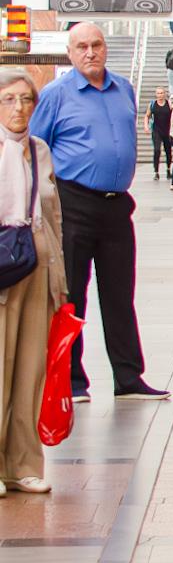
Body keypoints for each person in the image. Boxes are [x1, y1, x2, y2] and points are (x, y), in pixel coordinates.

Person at [29, 22, 168, 402]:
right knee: (72, 294)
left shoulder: (123, 88)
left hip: (117, 206)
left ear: (106, 47)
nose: (90, 53)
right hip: (73, 204)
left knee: (120, 294)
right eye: (82, 47)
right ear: (70, 53)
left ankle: (129, 378)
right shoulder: (56, 94)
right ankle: (72, 381)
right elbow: (36, 150)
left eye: (96, 45)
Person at [0, 70, 67, 495]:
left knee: (30, 370)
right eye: (8, 99)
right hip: (2, 269)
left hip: (37, 265)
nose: (19, 108)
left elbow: (53, 214)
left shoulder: (40, 150)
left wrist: (60, 278)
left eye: (26, 99)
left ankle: (22, 465)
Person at [144, 86, 173, 181]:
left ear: (164, 94)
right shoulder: (152, 104)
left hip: (167, 131)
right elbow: (147, 116)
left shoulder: (169, 104)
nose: (160, 95)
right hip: (156, 131)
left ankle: (168, 169)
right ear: (156, 94)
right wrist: (146, 126)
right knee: (157, 150)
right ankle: (156, 172)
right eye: (158, 93)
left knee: (168, 151)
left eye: (161, 93)